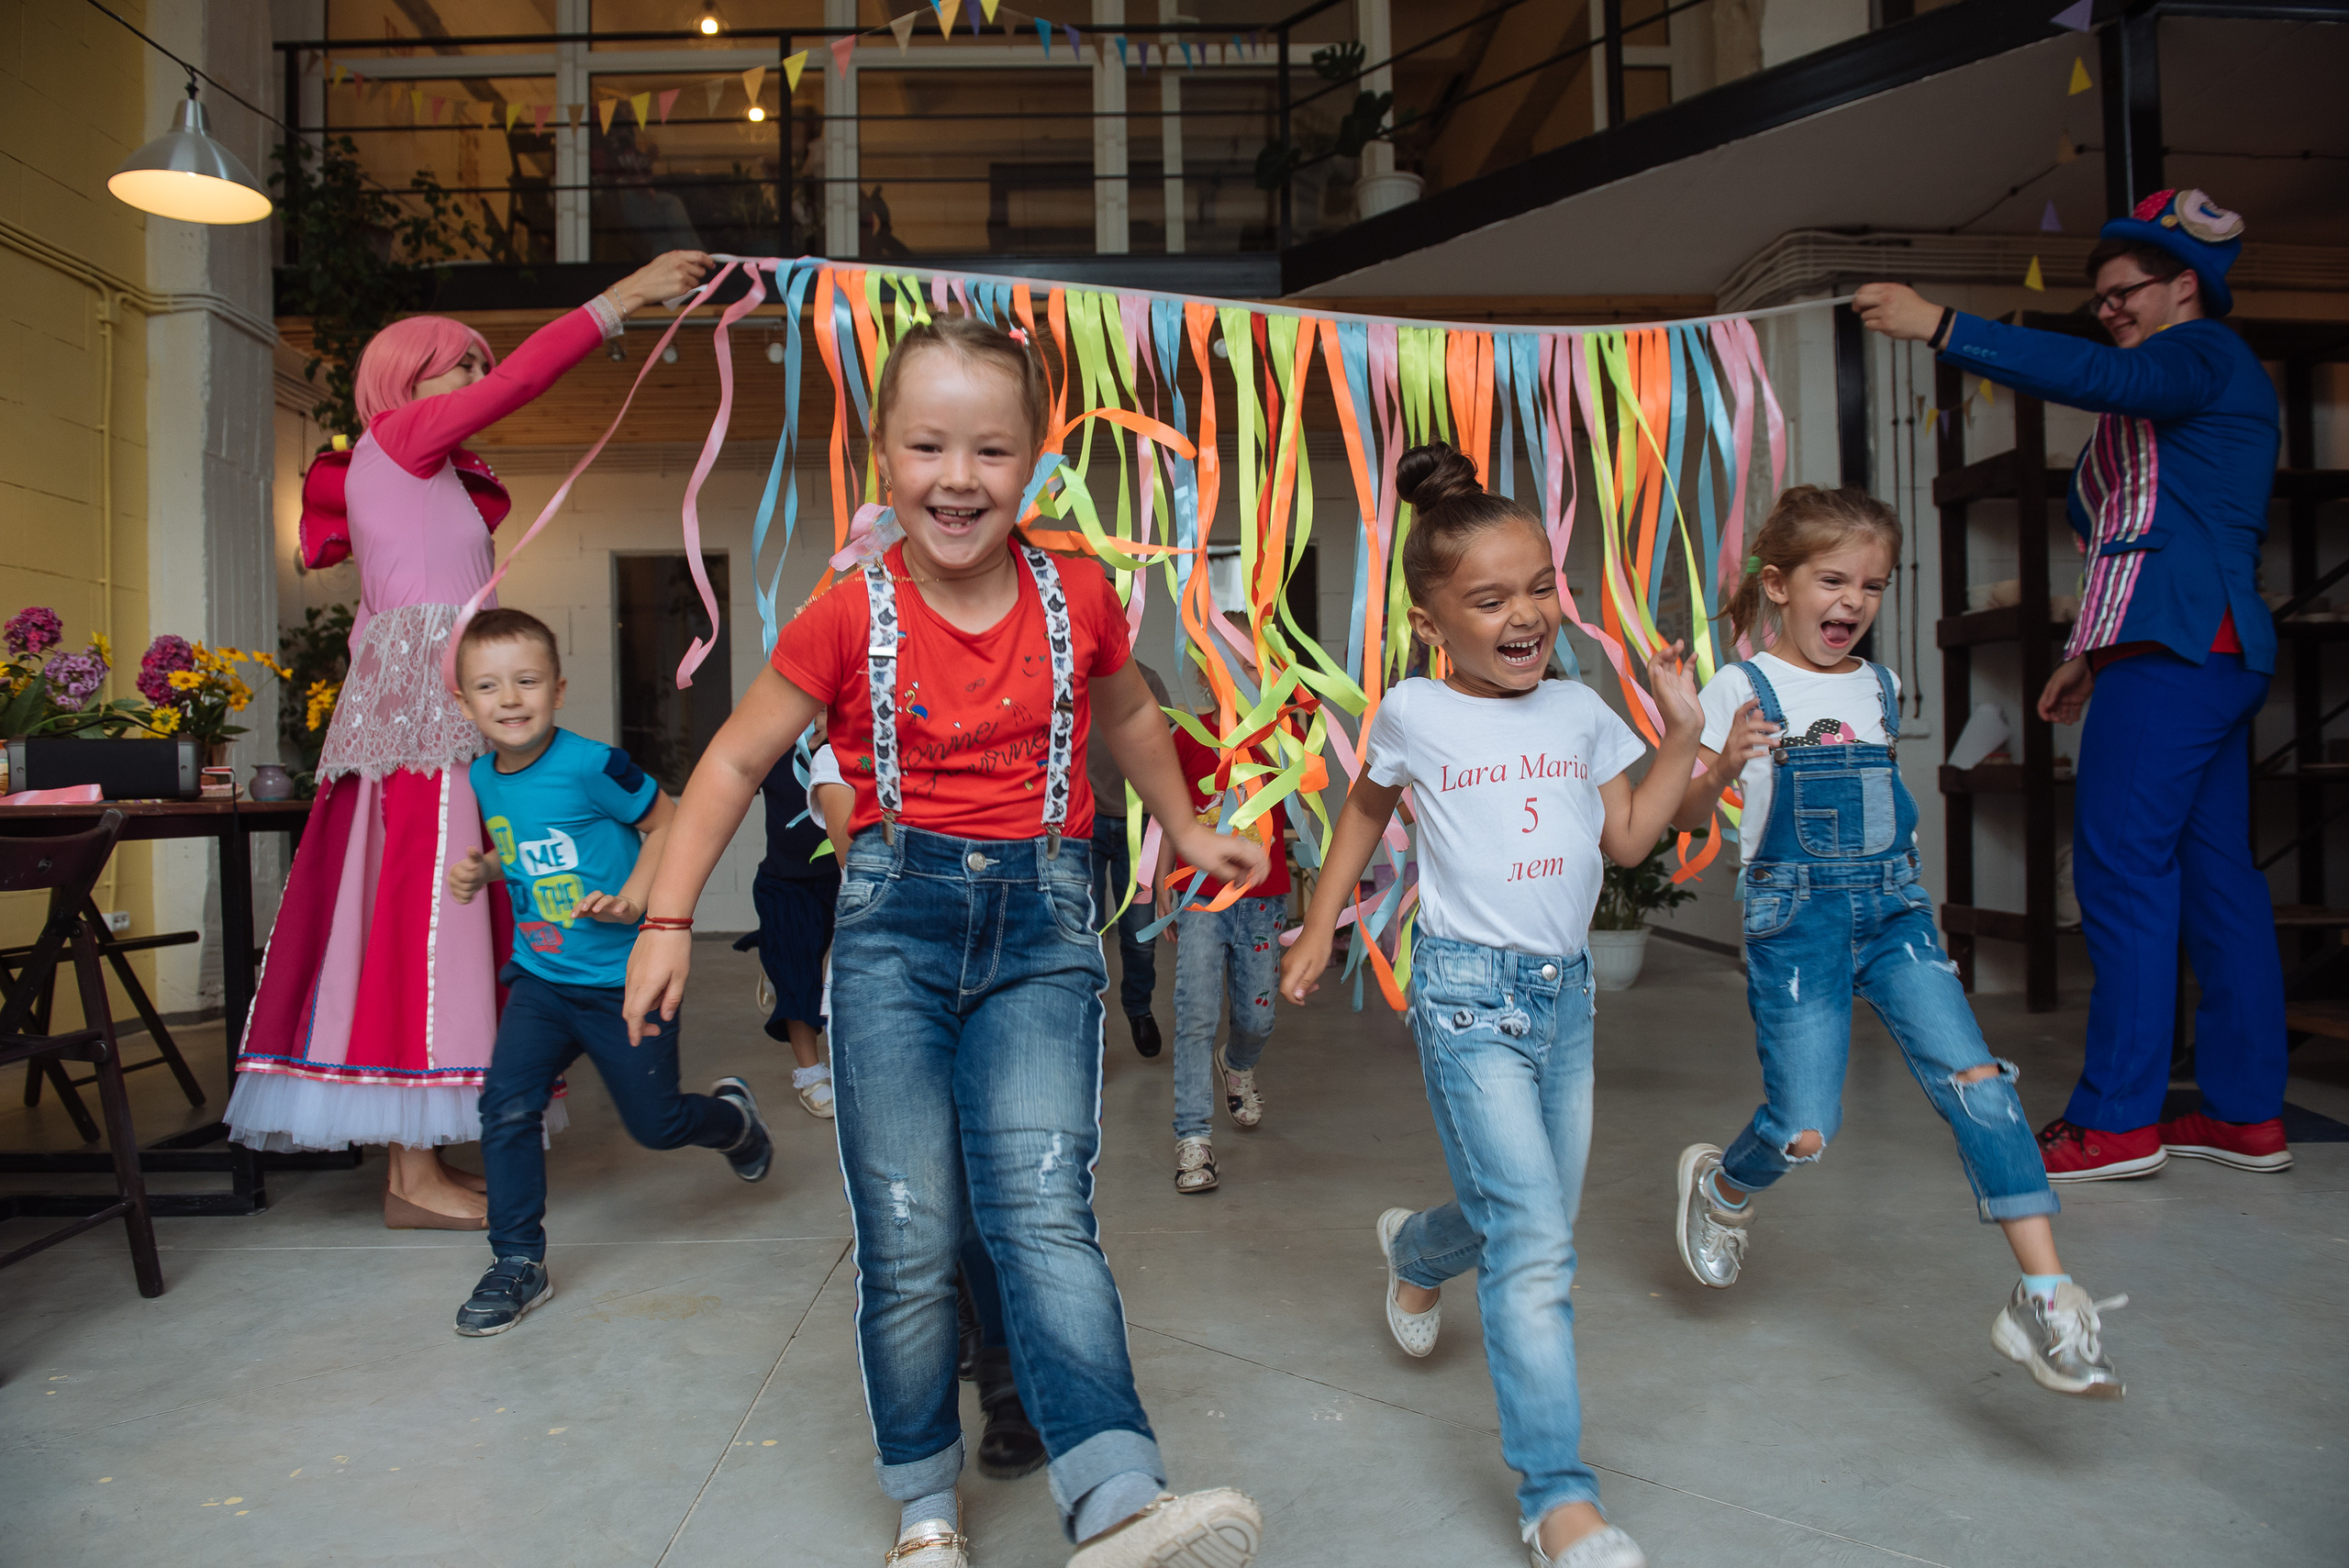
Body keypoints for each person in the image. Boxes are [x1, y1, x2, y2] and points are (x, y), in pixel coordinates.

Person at [622, 313, 1269, 1568]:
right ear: (882, 455)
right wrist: (664, 919)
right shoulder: (841, 612)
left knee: (1040, 1205)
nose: (958, 477)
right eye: (928, 446)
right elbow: (733, 760)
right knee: (913, 1228)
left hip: (1041, 929)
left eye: (991, 450)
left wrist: (1187, 828)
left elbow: (1131, 714)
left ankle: (1119, 1496)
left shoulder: (1076, 590)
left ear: (1033, 460)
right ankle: (925, 1511)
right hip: (890, 939)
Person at [230, 250, 714, 1228]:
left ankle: (427, 1156)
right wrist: (617, 301)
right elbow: (521, 381)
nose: (472, 382)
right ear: (409, 379)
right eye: (458, 365)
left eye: (471, 366)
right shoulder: (400, 440)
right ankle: (412, 1174)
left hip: (436, 705)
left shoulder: (411, 465)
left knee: (445, 916)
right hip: (426, 717)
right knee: (424, 918)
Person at [1279, 443, 1688, 1568]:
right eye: (1490, 598)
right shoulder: (1413, 712)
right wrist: (1321, 922)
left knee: (1522, 1209)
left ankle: (1416, 1248)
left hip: (1564, 1005)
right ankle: (1558, 1496)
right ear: (1431, 620)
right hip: (1465, 999)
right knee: (1537, 1243)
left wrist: (1685, 729)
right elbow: (1362, 813)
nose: (1526, 616)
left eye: (1541, 587)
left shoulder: (1578, 710)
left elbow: (1629, 837)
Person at [1855, 188, 2289, 1182]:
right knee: (2217, 883)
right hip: (2193, 649)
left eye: (2123, 292)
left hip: (2180, 653)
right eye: (2098, 297)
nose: (2108, 310)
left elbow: (2096, 378)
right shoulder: (2177, 382)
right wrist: (2092, 653)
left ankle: (2117, 1121)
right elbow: (2153, 529)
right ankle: (2243, 1114)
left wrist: (1940, 325)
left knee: (2122, 876)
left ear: (2186, 287)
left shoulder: (2199, 352)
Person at [1669, 484, 2128, 1399]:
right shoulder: (1739, 684)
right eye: (1831, 579)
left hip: (1893, 915)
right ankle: (1723, 1185)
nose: (1850, 601)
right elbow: (1682, 814)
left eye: (1871, 585)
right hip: (1794, 923)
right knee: (1805, 1131)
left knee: (1982, 1089)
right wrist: (1715, 756)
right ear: (1779, 583)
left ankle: (2044, 1293)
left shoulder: (1879, 683)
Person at [439, 609, 772, 1336]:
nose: (510, 698)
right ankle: (518, 1260)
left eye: (527, 680)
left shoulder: (593, 764)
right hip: (542, 978)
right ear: (464, 703)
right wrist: (485, 869)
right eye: (488, 686)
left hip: (627, 978)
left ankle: (733, 1122)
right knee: (506, 1105)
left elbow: (670, 821)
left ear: (557, 687)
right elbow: (531, 851)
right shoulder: (482, 777)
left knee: (657, 1125)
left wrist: (636, 903)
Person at [1152, 684, 1291, 1193]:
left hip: (1263, 898)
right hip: (1200, 897)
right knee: (1196, 1014)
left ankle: (1237, 1063)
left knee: (1258, 1016)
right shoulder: (1189, 738)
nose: (1240, 678)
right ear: (1206, 677)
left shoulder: (1281, 737)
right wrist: (1161, 878)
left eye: (1252, 668)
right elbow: (1175, 814)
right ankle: (1193, 1138)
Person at [736, 714, 841, 1118]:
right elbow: (728, 780)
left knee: (847, 974)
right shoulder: (772, 744)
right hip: (785, 882)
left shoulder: (858, 741)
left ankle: (774, 959)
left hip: (847, 874)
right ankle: (811, 1072)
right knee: (800, 977)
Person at [1089, 653, 1174, 1058]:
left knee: (1138, 934)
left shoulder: (1148, 678)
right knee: (1084, 931)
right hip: (1081, 823)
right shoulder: (1068, 672)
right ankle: (1089, 1020)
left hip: (1136, 825)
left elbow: (1166, 750)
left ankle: (1139, 1009)